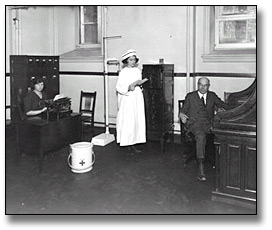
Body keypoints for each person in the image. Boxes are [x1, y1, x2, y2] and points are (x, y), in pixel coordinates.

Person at [179, 77, 230, 181]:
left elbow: (223, 105)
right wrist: (182, 116)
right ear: (197, 85)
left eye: (205, 85)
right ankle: (201, 167)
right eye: (200, 85)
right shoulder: (191, 96)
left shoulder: (212, 96)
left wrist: (227, 110)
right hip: (195, 124)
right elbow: (182, 111)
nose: (203, 87)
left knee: (224, 133)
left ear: (208, 86)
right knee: (201, 136)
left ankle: (224, 164)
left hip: (209, 124)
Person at [116, 49, 146, 154]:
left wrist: (140, 84)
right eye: (130, 60)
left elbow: (139, 82)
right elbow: (119, 87)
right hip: (128, 98)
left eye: (134, 60)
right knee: (128, 120)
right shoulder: (123, 72)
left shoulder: (137, 71)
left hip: (137, 97)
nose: (133, 62)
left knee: (136, 120)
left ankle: (134, 142)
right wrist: (129, 87)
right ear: (126, 61)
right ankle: (127, 143)